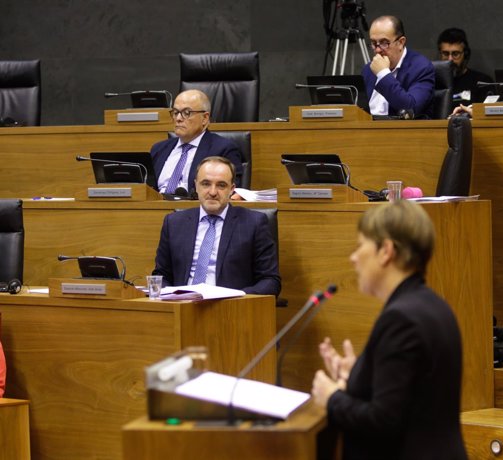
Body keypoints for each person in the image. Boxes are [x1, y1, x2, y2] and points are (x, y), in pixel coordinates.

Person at [311, 200, 467, 460]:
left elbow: (384, 421)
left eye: (360, 246)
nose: (353, 257)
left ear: (386, 251)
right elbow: (414, 393)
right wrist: (358, 375)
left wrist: (332, 397)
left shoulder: (401, 318)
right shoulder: (432, 304)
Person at [152, 156, 281, 296]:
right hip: (182, 306)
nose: (213, 192)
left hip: (229, 309)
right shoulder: (174, 223)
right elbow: (161, 275)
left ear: (232, 189)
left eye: (221, 185)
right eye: (206, 184)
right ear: (196, 185)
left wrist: (237, 298)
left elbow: (270, 281)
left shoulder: (253, 223)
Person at [150, 89, 243, 196]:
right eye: (175, 112)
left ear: (205, 118)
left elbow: (233, 192)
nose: (178, 119)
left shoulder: (223, 149)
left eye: (186, 113)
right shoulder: (159, 149)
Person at [362, 15, 435, 119]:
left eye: (384, 43)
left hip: (406, 132)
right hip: (368, 132)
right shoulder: (368, 70)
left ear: (401, 42)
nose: (377, 50)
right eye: (374, 43)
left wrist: (383, 74)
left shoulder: (421, 68)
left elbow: (409, 110)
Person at [437, 27, 493, 105]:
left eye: (455, 54)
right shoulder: (431, 82)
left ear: (465, 54)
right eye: (445, 54)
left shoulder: (482, 83)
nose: (450, 59)